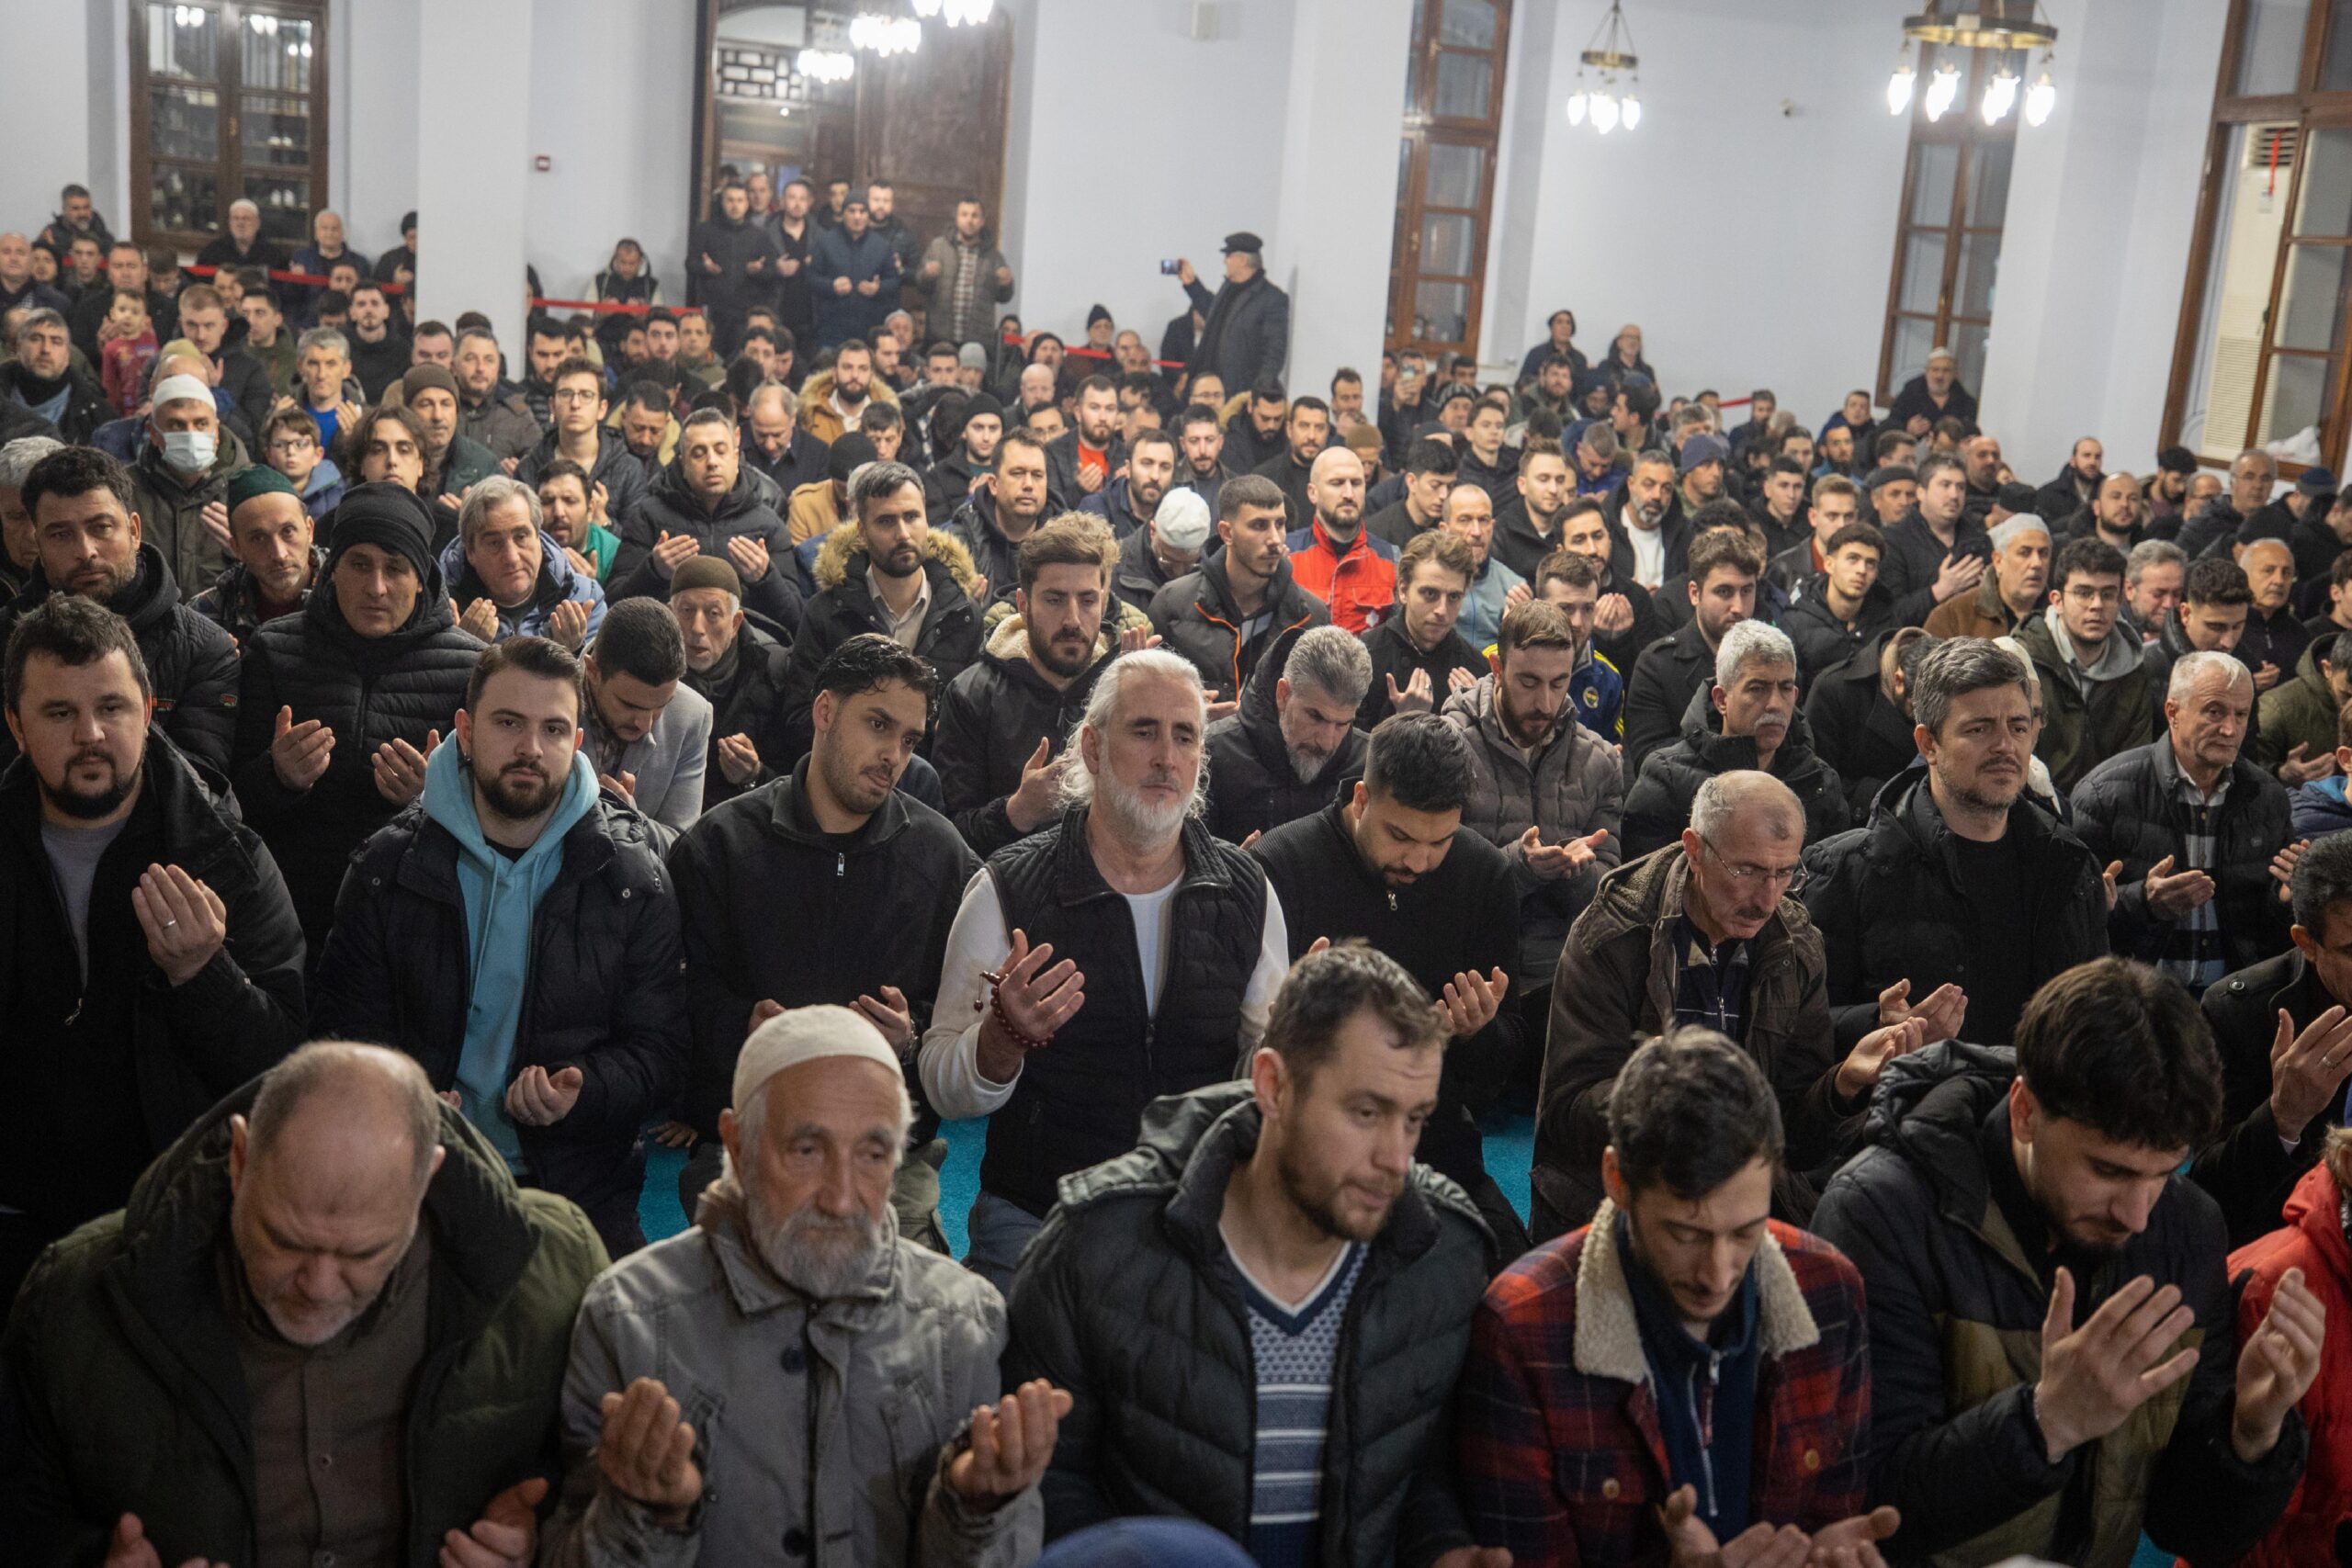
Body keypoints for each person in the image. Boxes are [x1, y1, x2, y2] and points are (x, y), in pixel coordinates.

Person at [1810, 959, 2317, 1567]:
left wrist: (2250, 1435)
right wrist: (2045, 1421)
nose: (2136, 1213)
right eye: (2109, 1170)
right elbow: (1864, 1507)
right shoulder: (1883, 1212)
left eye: (2163, 1173)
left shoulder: (2186, 1225)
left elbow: (2187, 1525)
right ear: (2025, 1110)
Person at [1003, 943, 1496, 1565]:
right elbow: (1045, 1483)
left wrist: (1442, 1547)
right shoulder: (1097, 1245)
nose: (1395, 1158)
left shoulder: (1444, 1255)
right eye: (1367, 1112)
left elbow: (1425, 1469)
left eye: (1415, 1119)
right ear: (1273, 1085)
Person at [544, 1005, 1058, 1567]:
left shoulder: (967, 1322)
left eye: (873, 1154)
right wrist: (647, 1518)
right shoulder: (627, 1319)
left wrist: (976, 1510)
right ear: (736, 1146)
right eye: (807, 1151)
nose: (841, 1198)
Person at [922, 649, 1287, 1289]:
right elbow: (944, 1085)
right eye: (1144, 730)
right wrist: (1001, 1040)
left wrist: (1301, 1039)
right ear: (1092, 748)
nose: (1166, 757)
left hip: (1197, 1209)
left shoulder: (1247, 890)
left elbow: (1264, 1072)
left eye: (1185, 736)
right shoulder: (1007, 890)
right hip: (1040, 1210)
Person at [311, 635, 683, 1257]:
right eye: (508, 722)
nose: (530, 748)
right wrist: (404, 1092)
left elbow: (662, 1053)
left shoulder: (631, 877)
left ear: (577, 742)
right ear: (466, 729)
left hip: (577, 1181)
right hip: (416, 1168)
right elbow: (339, 1032)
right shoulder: (388, 866)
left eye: (553, 729)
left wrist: (583, 1088)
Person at [1459, 1030, 1889, 1566]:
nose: (1717, 1274)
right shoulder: (1521, 1330)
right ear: (1616, 1179)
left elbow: (1834, 1513)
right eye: (1685, 1234)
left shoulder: (1829, 1289)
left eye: (1746, 1232)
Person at [0, 592, 305, 1305]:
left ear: (147, 707)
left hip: (173, 1214)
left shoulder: (221, 852)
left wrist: (205, 975)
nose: (91, 735)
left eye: (112, 707)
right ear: (16, 727)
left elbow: (285, 1061)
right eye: (58, 713)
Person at [1537, 771, 1925, 1238]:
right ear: (1694, 849)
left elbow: (1794, 1135)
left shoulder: (1796, 944)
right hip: (1628, 1195)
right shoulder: (1613, 933)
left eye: (1785, 872)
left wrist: (1841, 1085)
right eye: (1747, 871)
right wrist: (1662, 1098)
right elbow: (1566, 1113)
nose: (1767, 899)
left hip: (1747, 1197)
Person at [1251, 714, 1525, 1248]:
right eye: (1400, 835)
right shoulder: (1283, 866)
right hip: (1311, 1141)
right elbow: (1245, 1055)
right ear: (1361, 799)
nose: (1419, 861)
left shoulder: (1483, 874)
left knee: (1508, 1274)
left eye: (1440, 841)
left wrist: (1474, 1034)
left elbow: (1504, 1063)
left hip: (1432, 1138)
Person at [1804, 635, 2108, 1058]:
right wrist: (1878, 1025)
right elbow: (1801, 1033)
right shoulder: (1845, 872)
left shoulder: (2071, 867)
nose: (2005, 745)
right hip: (1902, 1115)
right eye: (1979, 729)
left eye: (2018, 727)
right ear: (1928, 743)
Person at [232, 481, 485, 950]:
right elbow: (231, 801)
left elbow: (495, 821)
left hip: (414, 914)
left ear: (423, 577)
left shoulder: (470, 670)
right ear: (331, 571)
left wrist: (434, 799)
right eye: (359, 564)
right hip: (291, 910)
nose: (376, 588)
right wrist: (277, 775)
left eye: (396, 568)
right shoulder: (274, 650)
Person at [0, 444, 239, 776]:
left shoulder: (203, 648)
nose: (85, 551)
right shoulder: (5, 639)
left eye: (101, 527)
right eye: (61, 534)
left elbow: (202, 786)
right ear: (38, 544)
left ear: (134, 530)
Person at [1440, 595, 1621, 1022]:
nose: (1545, 701)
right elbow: (1435, 881)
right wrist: (1518, 866)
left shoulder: (1599, 760)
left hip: (1564, 974)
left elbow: (1611, 898)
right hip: (1465, 969)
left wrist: (1575, 873)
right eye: (1528, 682)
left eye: (1559, 683)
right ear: (1497, 669)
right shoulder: (1447, 745)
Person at [2072, 650, 2293, 997]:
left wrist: (2286, 900)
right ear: (2173, 712)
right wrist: (2143, 902)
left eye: (2241, 714)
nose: (2230, 729)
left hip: (2235, 1001)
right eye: (2214, 711)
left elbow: (2269, 930)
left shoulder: (2268, 797)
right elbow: (2073, 918)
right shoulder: (2105, 793)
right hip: (2136, 1000)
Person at [935, 515, 1146, 855]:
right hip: (1009, 893)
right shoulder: (972, 695)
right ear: (1023, 605)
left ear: (1104, 601)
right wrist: (1018, 811)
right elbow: (948, 835)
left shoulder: (1126, 684)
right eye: (1054, 599)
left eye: (1088, 600)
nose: (1073, 620)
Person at [1623, 621, 1849, 858]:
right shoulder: (1667, 779)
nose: (1775, 704)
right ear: (1721, 699)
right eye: (1757, 688)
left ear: (1795, 696)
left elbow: (1830, 885)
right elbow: (1645, 884)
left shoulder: (1819, 783)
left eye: (1785, 688)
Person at [790, 458, 986, 730]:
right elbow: (799, 716)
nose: (903, 534)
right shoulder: (827, 612)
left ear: (927, 520)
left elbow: (973, 725)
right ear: (861, 532)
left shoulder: (962, 615)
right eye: (886, 521)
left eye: (911, 517)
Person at [613, 408, 801, 630]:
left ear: (735, 454)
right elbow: (614, 604)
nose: (712, 462)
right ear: (683, 463)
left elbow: (795, 618)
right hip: (668, 648)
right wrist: (653, 571)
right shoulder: (648, 516)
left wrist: (765, 578)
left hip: (747, 651)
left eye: (720, 451)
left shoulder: (768, 524)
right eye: (699, 453)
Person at [1150, 474, 1328, 702]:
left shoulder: (1312, 614)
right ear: (1227, 533)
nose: (1275, 538)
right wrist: (1193, 715)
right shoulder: (1171, 604)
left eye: (1280, 524)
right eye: (1259, 525)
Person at [1203, 623, 1370, 843]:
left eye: (1343, 724)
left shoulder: (1370, 762)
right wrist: (1230, 873)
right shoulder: (1211, 753)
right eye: (1316, 717)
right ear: (1283, 694)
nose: (1327, 742)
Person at [2014, 536, 2155, 794]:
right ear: (2057, 601)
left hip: (2108, 811)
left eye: (2108, 594)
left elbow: (2135, 766)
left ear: (2120, 601)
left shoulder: (2134, 672)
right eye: (2084, 593)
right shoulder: (2020, 664)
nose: (2097, 605)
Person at [1623, 526, 1761, 776]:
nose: (1738, 607)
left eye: (1747, 591)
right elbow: (1649, 759)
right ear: (1694, 593)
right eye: (1724, 592)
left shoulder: (1769, 660)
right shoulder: (1657, 665)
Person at [581, 597, 711, 851]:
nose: (645, 724)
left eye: (662, 706)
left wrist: (629, 820)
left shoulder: (692, 715)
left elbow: (682, 848)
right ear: (592, 671)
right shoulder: (547, 700)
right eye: (630, 705)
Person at [442, 474, 606, 649]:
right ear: (470, 552)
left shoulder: (583, 598)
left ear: (538, 537)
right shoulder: (441, 609)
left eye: (521, 537)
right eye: (494, 543)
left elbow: (599, 676)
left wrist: (572, 654)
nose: (512, 558)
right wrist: (466, 654)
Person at [1357, 528, 1487, 728]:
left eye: (1453, 597)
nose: (1442, 610)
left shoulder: (1477, 670)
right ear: (1403, 590)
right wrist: (1403, 722)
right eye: (1430, 594)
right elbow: (1348, 753)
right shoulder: (1364, 658)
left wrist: (1476, 726)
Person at [189, 464, 323, 643]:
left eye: (288, 531)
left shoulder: (347, 590)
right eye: (258, 539)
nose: (279, 554)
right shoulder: (207, 614)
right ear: (237, 548)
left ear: (309, 530)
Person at [516, 355, 650, 528]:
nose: (575, 404)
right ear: (552, 406)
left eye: (586, 395)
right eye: (566, 394)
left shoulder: (628, 469)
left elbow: (637, 545)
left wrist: (605, 523)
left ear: (602, 409)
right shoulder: (529, 467)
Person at [1877, 452, 1990, 627]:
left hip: (1973, 641)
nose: (1954, 495)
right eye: (1945, 485)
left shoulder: (1979, 538)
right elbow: (1888, 616)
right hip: (1917, 645)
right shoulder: (1892, 541)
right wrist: (1939, 591)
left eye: (1960, 487)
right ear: (1921, 492)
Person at [948, 427, 1055, 610]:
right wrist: (967, 610)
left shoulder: (1067, 542)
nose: (1028, 484)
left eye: (1037, 475)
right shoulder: (957, 544)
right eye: (1017, 473)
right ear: (994, 484)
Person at [1781, 521, 1897, 683]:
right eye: (1853, 559)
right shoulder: (1796, 622)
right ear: (1829, 564)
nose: (1862, 570)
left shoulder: (1887, 620)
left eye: (1871, 563)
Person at [1178, 232, 1290, 390]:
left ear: (1243, 260)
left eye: (1229, 255)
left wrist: (1259, 391)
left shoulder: (1272, 299)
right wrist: (1192, 284)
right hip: (1210, 385)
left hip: (1237, 390)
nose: (1225, 261)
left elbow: (1274, 352)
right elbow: (1213, 316)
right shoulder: (1229, 288)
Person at [1924, 511, 2050, 641]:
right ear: (1998, 561)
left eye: (2044, 553)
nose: (2037, 563)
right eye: (2024, 553)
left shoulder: (2062, 615)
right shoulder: (1953, 616)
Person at [689, 178, 777, 356]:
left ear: (747, 204)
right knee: (711, 360)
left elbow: (772, 271)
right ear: (722, 202)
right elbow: (690, 264)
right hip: (713, 312)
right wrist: (705, 268)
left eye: (740, 200)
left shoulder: (759, 235)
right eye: (730, 200)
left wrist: (758, 271)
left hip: (744, 314)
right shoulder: (705, 231)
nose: (734, 206)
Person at [918, 195, 1016, 349]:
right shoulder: (938, 247)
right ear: (957, 218)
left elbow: (1004, 297)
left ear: (982, 221)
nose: (969, 220)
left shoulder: (994, 256)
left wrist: (1007, 284)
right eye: (964, 215)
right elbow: (922, 286)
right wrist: (927, 276)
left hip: (977, 340)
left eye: (975, 216)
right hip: (940, 335)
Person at [2255, 627, 2352, 783]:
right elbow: (2245, 769)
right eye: (2346, 696)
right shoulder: (2278, 707)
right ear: (2327, 669)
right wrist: (2281, 772)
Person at [808, 195, 901, 352]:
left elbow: (894, 280)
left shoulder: (882, 245)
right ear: (843, 214)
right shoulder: (825, 242)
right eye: (852, 211)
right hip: (832, 331)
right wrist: (831, 286)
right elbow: (810, 278)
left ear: (868, 215)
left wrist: (878, 289)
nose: (857, 216)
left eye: (862, 211)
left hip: (869, 332)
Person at [1, 308, 107, 444]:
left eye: (56, 341)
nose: (45, 349)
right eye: (36, 339)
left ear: (68, 354)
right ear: (18, 347)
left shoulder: (96, 414)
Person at [1884, 343, 1979, 435]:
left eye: (1946, 370)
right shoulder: (1909, 395)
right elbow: (1889, 426)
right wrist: (1907, 429)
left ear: (1954, 374)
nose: (1939, 376)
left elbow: (1971, 434)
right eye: (1935, 370)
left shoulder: (1966, 403)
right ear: (1927, 372)